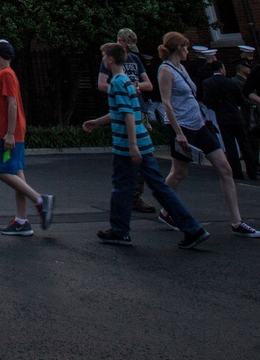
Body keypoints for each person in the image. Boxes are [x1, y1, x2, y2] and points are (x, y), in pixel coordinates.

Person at [83, 42, 208, 248]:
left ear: (111, 59)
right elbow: (122, 110)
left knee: (121, 187)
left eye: (104, 56)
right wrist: (98, 122)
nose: (103, 60)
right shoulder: (128, 83)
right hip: (144, 141)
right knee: (159, 187)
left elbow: (128, 115)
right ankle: (192, 228)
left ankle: (119, 231)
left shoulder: (116, 84)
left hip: (128, 145)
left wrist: (132, 146)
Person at [157, 32, 259, 237]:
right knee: (179, 173)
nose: (188, 51)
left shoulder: (181, 68)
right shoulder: (165, 70)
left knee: (225, 168)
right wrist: (178, 133)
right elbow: (166, 103)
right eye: (186, 47)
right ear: (179, 48)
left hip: (199, 125)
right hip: (181, 127)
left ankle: (237, 222)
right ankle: (166, 210)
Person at [0, 41, 54, 236]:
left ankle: (40, 200)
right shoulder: (3, 74)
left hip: (9, 133)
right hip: (11, 131)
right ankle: (21, 220)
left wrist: (9, 133)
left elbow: (12, 104)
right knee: (17, 172)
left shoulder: (6, 74)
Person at [97, 28, 155, 213]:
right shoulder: (109, 59)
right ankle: (132, 197)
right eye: (126, 45)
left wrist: (133, 87)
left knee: (142, 156)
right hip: (124, 107)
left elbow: (148, 84)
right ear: (120, 41)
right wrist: (121, 91)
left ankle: (135, 194)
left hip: (139, 108)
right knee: (131, 157)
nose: (128, 49)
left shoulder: (135, 59)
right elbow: (101, 84)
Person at [202, 63, 258, 181]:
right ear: (222, 69)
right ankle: (252, 172)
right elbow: (241, 100)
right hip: (236, 116)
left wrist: (217, 107)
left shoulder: (207, 82)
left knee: (230, 145)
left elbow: (207, 100)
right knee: (244, 144)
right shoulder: (231, 82)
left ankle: (237, 173)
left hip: (223, 117)